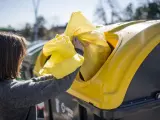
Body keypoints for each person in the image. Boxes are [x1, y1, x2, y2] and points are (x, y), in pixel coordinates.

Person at [0, 32, 84, 120]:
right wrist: (79, 53)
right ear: (9, 60)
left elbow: (31, 83)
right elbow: (59, 85)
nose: (22, 60)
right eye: (20, 56)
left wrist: (55, 74)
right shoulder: (13, 92)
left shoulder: (5, 87)